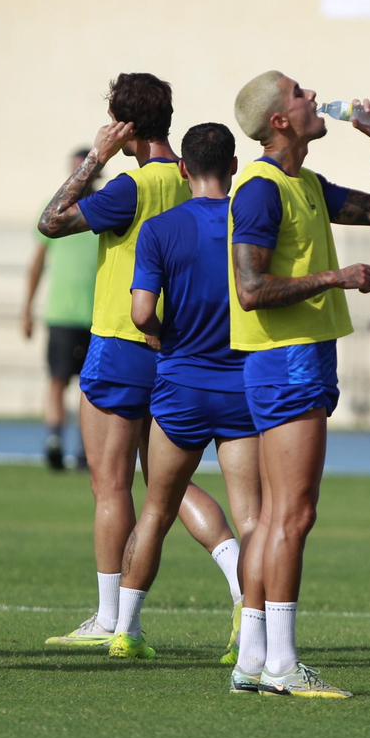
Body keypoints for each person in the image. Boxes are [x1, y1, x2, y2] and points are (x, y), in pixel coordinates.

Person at [38, 74, 245, 649]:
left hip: (123, 344)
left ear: (122, 124)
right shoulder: (191, 177)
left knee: (111, 486)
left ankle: (111, 619)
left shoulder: (130, 186)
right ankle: (238, 579)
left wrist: (94, 160)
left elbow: (52, 221)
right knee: (166, 485)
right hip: (180, 348)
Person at [228, 71, 370, 698]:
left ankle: (254, 659)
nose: (312, 97)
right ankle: (281, 664)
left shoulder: (305, 184)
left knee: (277, 516)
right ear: (280, 119)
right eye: (300, 93)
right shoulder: (260, 190)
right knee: (294, 517)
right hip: (286, 359)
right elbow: (252, 292)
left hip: (301, 357)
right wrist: (334, 278)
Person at [110, 123, 262, 667]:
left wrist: (161, 334)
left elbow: (141, 312)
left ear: (182, 169)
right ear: (236, 165)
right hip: (242, 387)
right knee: (252, 520)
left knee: (156, 510)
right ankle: (249, 636)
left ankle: (125, 629)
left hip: (180, 387)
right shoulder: (252, 221)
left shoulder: (160, 229)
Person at [23, 149, 100, 470]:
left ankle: (86, 447)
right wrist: (26, 308)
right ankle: (54, 439)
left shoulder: (104, 207)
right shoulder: (54, 210)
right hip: (62, 313)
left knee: (91, 384)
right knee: (57, 379)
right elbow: (37, 263)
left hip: (99, 314)